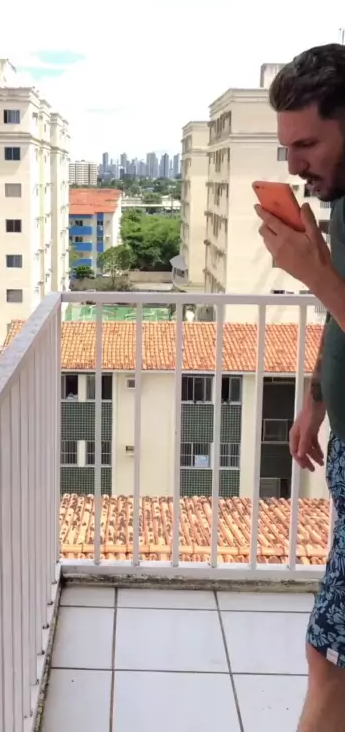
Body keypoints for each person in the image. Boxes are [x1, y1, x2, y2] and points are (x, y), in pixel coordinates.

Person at [256, 43, 345, 731]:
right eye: (287, 148)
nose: (294, 166)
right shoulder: (341, 199)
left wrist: (313, 272)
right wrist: (315, 400)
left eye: (307, 144)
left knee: (329, 656)